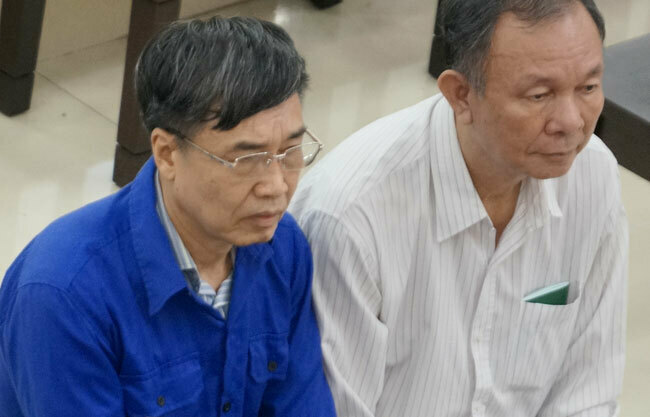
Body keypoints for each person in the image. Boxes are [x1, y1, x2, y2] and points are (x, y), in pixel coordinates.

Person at [289, 0, 628, 415]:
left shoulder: (592, 175)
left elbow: (588, 389)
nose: (572, 123)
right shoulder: (351, 216)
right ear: (461, 95)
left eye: (588, 88)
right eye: (540, 95)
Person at [0, 17, 335, 416]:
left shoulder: (284, 246)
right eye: (248, 159)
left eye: (290, 152)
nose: (277, 186)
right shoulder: (63, 295)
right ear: (167, 153)